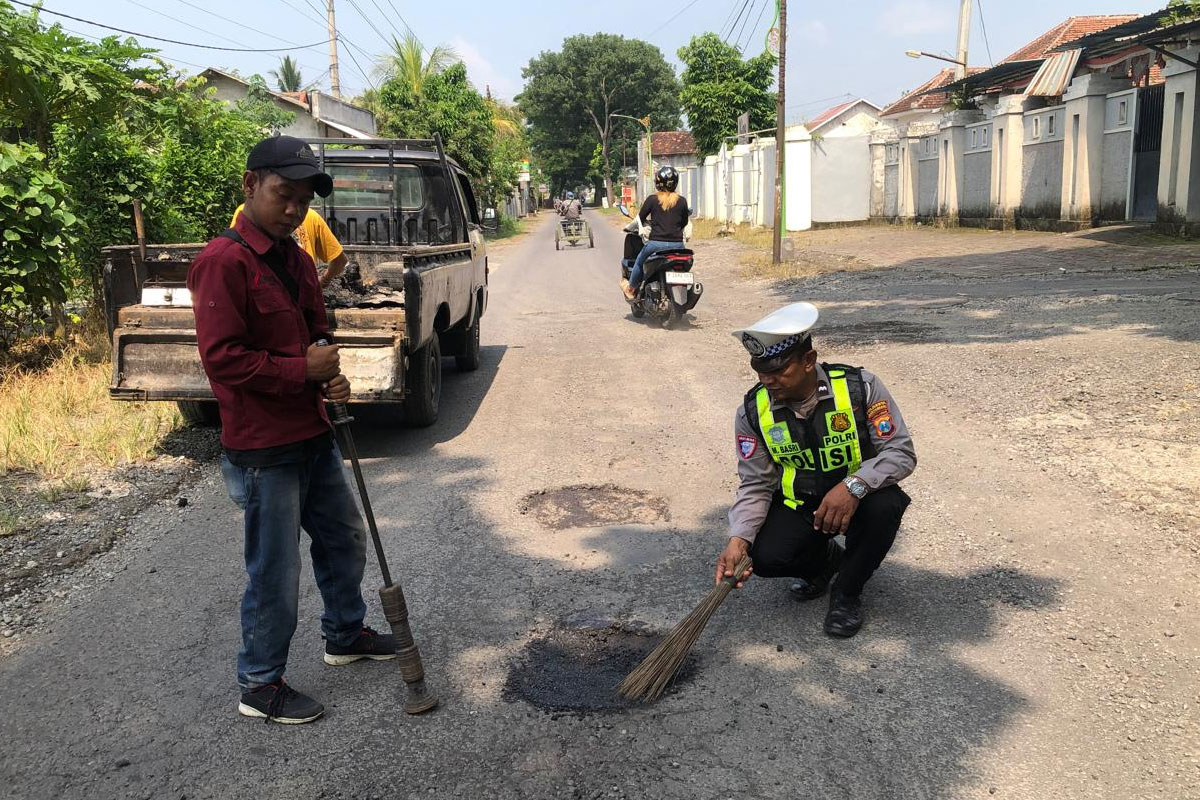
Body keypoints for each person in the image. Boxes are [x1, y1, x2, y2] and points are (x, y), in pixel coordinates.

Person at [188, 135, 396, 725]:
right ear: (251, 185)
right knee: (275, 571)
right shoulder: (221, 263)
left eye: (303, 201)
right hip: (262, 448)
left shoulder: (299, 261)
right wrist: (299, 369)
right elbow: (223, 359)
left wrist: (331, 374)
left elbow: (316, 334)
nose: (293, 209)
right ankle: (258, 684)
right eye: (284, 195)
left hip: (313, 430)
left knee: (344, 538)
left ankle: (344, 634)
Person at [714, 302, 916, 638]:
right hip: (803, 505)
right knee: (764, 556)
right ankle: (826, 564)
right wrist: (738, 539)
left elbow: (901, 452)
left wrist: (854, 486)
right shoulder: (751, 413)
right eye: (761, 373)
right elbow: (755, 484)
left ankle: (847, 593)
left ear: (809, 361)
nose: (768, 382)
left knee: (886, 506)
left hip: (861, 500)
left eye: (779, 371)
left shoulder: (859, 388)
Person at [231, 203, 347, 290]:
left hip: (264, 298)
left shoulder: (246, 212)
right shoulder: (310, 215)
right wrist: (323, 281)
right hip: (302, 299)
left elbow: (235, 259)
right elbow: (339, 260)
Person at [621, 165, 690, 301]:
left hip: (656, 245)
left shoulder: (652, 199)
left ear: (658, 183)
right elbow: (684, 222)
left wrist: (632, 227)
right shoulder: (682, 201)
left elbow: (640, 219)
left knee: (640, 261)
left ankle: (631, 288)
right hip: (678, 246)